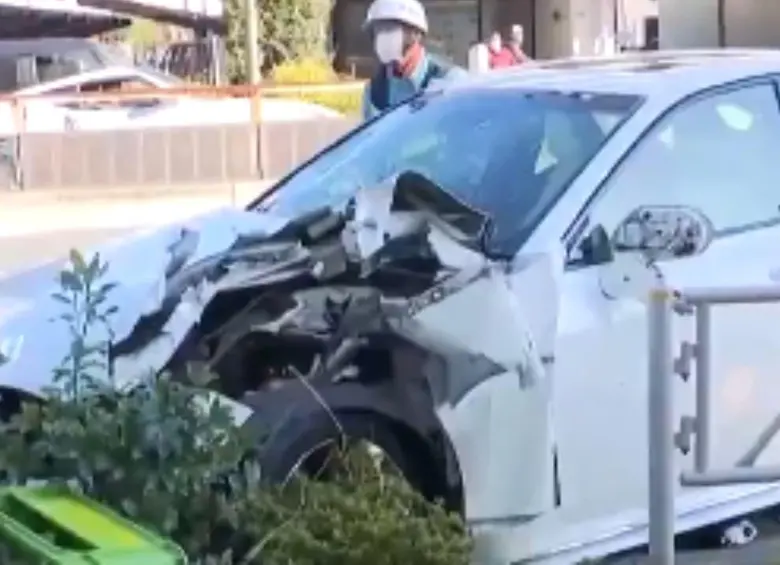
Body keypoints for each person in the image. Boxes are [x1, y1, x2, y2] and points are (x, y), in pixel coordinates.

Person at [362, 0, 466, 121]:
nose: (384, 38)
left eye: (391, 29)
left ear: (415, 34)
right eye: (378, 31)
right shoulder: (374, 92)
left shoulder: (450, 82)